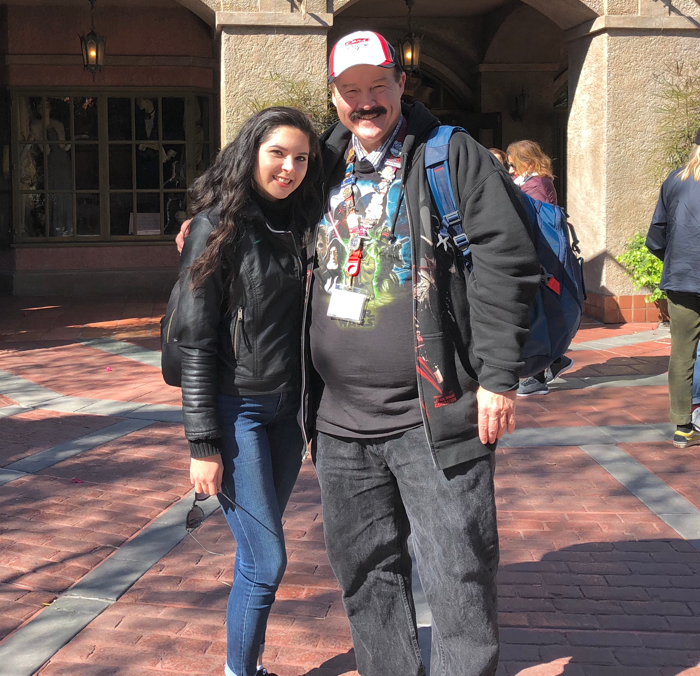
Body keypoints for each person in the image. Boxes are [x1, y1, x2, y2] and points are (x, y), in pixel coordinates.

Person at [303, 31, 541, 676]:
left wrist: (499, 377)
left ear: (401, 84)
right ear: (334, 96)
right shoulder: (319, 163)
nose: (365, 102)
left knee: (458, 573)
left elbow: (508, 263)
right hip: (338, 421)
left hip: (434, 413)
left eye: (377, 86)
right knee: (365, 573)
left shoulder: (450, 156)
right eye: (350, 90)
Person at [176, 106, 322, 676]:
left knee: (255, 557)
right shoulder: (217, 227)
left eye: (301, 158)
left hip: (288, 414)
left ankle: (248, 666)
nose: (289, 168)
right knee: (267, 560)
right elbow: (195, 340)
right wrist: (202, 443)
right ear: (250, 153)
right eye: (277, 153)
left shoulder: (305, 223)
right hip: (238, 412)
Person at [507, 140, 574, 396]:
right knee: (540, 314)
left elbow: (536, 225)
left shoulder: (535, 185)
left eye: (514, 164)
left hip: (540, 262)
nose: (511, 169)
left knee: (536, 315)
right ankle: (555, 360)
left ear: (528, 162)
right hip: (540, 262)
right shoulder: (535, 183)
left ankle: (538, 374)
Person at [647, 130, 700, 448]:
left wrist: (674, 260)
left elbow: (656, 233)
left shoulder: (675, 180)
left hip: (681, 278)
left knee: (682, 352)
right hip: (683, 275)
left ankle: (682, 426)